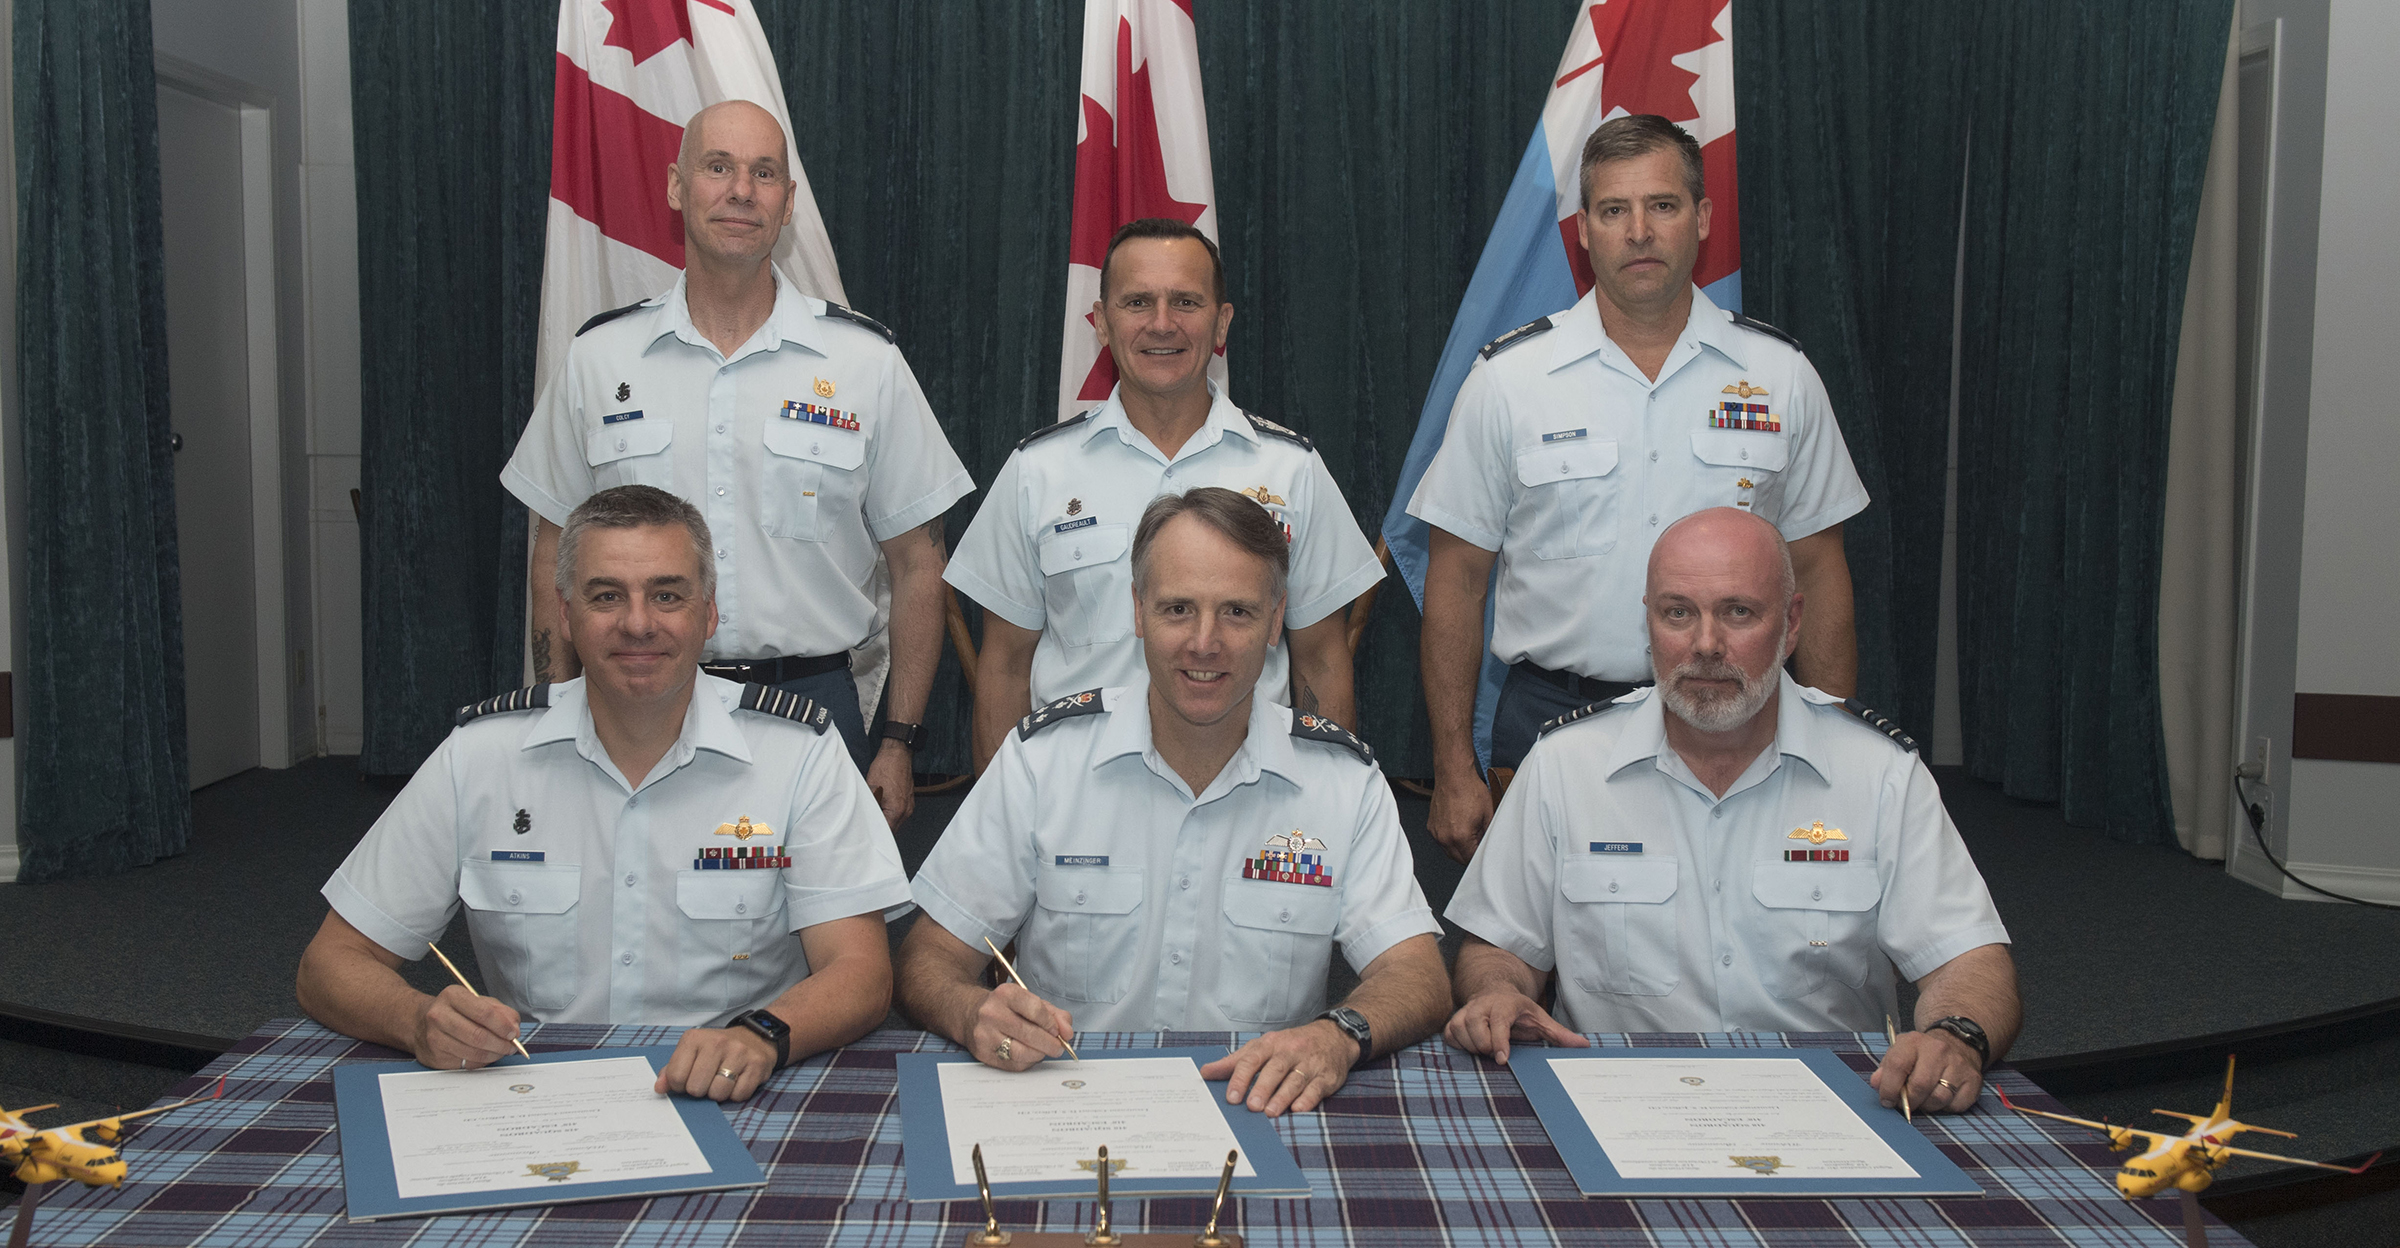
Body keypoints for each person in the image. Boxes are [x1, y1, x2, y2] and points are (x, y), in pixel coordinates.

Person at [295, 486, 910, 1103]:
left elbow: (861, 974)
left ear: (709, 614)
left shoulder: (798, 755)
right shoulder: (481, 756)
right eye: (606, 596)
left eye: (667, 595)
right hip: (534, 1095)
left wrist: (762, 1035)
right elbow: (329, 964)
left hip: (731, 1087)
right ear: (566, 616)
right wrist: (417, 1020)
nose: (637, 624)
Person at [1441, 507, 2017, 1113]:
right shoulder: (1566, 765)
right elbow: (1497, 948)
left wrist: (1957, 1036)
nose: (1706, 645)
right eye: (1678, 613)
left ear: (1791, 625)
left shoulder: (1879, 774)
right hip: (1620, 1103)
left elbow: (1970, 959)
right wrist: (1496, 991)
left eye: (1738, 612)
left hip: (1833, 1107)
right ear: (1648, 622)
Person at [1406, 114, 1869, 863]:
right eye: (1614, 210)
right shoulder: (1509, 382)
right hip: (1554, 720)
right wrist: (1454, 763)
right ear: (1583, 231)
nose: (1639, 231)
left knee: (1738, 923)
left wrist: (1836, 745)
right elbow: (1457, 579)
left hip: (1739, 716)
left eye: (1662, 205)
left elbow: (1817, 568)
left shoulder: (1780, 376)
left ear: (1703, 218)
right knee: (1544, 935)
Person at [898, 488, 1447, 1116]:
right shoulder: (1044, 762)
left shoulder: (1342, 783)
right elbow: (927, 958)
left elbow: (1418, 974)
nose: (1204, 643)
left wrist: (1338, 1034)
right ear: (1138, 611)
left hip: (1257, 1109)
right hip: (1067, 1109)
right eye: (1178, 609)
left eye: (1237, 612)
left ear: (1276, 621)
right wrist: (971, 1010)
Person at [502, 100, 971, 826]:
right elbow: (551, 551)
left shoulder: (864, 364)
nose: (742, 191)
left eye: (764, 173)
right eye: (718, 167)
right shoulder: (600, 359)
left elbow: (919, 562)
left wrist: (899, 740)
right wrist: (556, 709)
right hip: (634, 699)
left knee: (818, 900)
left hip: (810, 706)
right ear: (676, 186)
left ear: (788, 202)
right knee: (634, 893)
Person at [944, 219, 1384, 775]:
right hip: (1074, 795)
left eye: (1186, 302)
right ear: (1102, 323)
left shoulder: (1291, 469)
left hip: (1247, 793)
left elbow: (1321, 659)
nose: (1161, 323)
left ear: (1221, 322)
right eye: (1137, 302)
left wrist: (1325, 802)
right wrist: (1004, 811)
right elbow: (1005, 666)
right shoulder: (1038, 471)